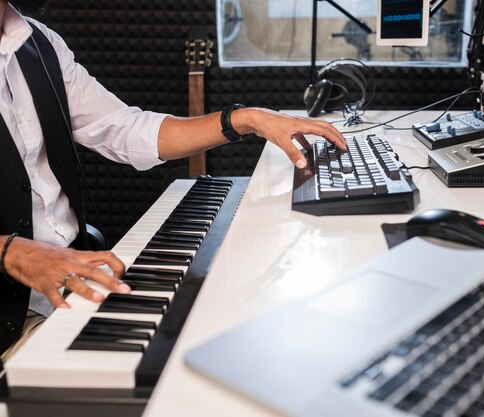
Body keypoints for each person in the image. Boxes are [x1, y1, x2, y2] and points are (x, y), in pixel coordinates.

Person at [0, 0, 346, 361]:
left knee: (231, 335)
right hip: (13, 320)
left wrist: (248, 120)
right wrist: (12, 251)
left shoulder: (39, 43)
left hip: (78, 279)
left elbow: (124, 128)